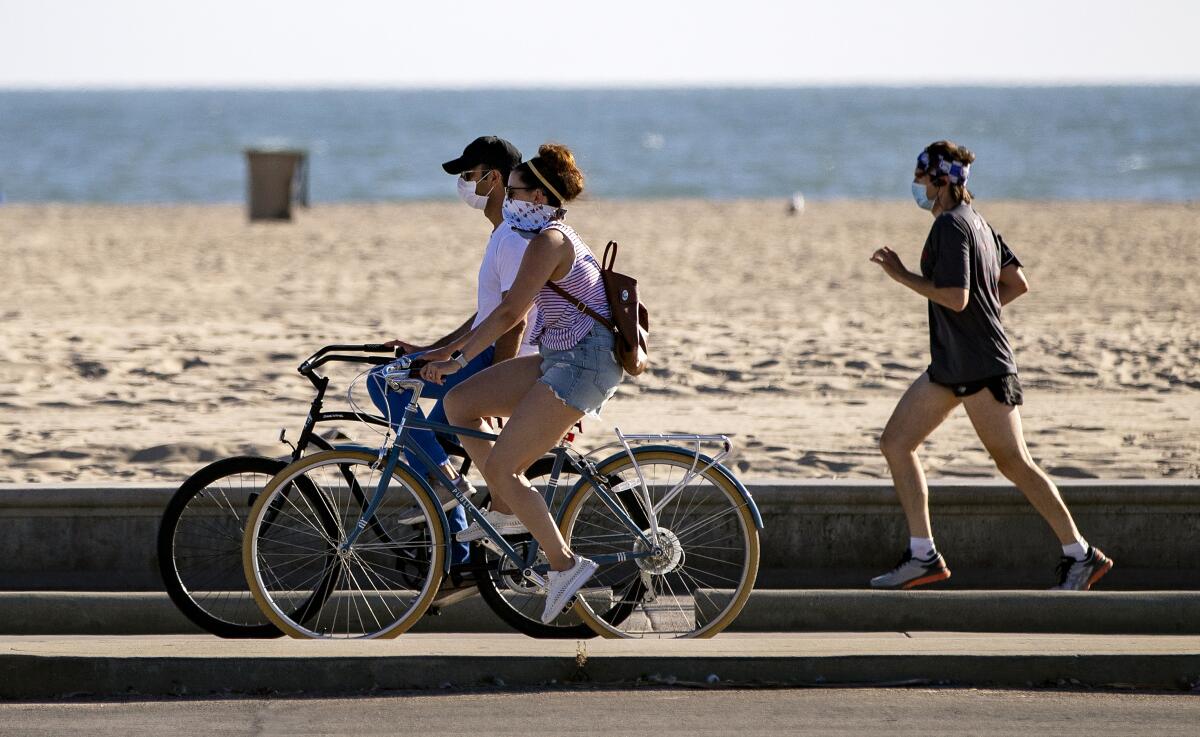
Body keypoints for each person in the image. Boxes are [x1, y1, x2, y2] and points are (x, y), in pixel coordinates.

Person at [867, 140, 1113, 591]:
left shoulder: (950, 228)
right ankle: (923, 555)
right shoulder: (980, 224)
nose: (916, 187)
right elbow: (1017, 283)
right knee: (896, 442)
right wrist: (985, 312)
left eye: (921, 179)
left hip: (982, 369)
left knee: (1015, 462)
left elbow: (957, 297)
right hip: (953, 365)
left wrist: (902, 275)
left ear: (939, 181)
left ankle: (1081, 554)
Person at [419, 143, 623, 623]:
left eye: (515, 192)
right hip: (560, 354)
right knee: (461, 402)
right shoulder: (539, 240)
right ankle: (508, 510)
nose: (507, 201)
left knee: (507, 466)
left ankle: (565, 564)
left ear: (540, 197)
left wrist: (456, 356)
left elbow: (511, 312)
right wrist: (450, 358)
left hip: (585, 362)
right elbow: (508, 310)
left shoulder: (551, 241)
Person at [367, 135, 534, 569]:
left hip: (507, 359)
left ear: (494, 178)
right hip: (488, 351)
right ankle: (456, 563)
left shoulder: (513, 236)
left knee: (382, 382)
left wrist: (500, 381)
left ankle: (445, 483)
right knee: (432, 444)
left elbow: (515, 316)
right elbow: (488, 313)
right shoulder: (504, 232)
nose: (463, 184)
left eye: (468, 175)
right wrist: (433, 349)